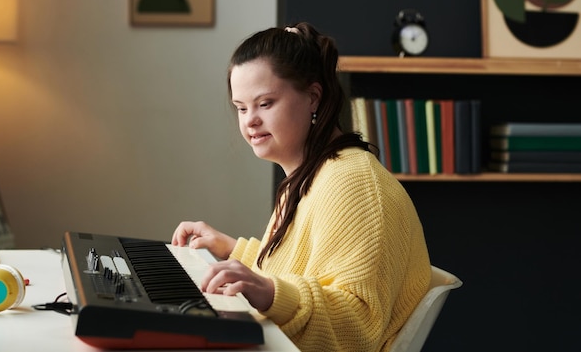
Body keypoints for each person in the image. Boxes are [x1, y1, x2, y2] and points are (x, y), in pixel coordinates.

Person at [171, 22, 431, 352]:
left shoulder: (354, 184)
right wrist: (235, 250)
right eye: (241, 108)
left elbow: (357, 326)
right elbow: (302, 273)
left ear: (312, 97)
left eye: (265, 103)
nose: (250, 120)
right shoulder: (309, 176)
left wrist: (267, 291)